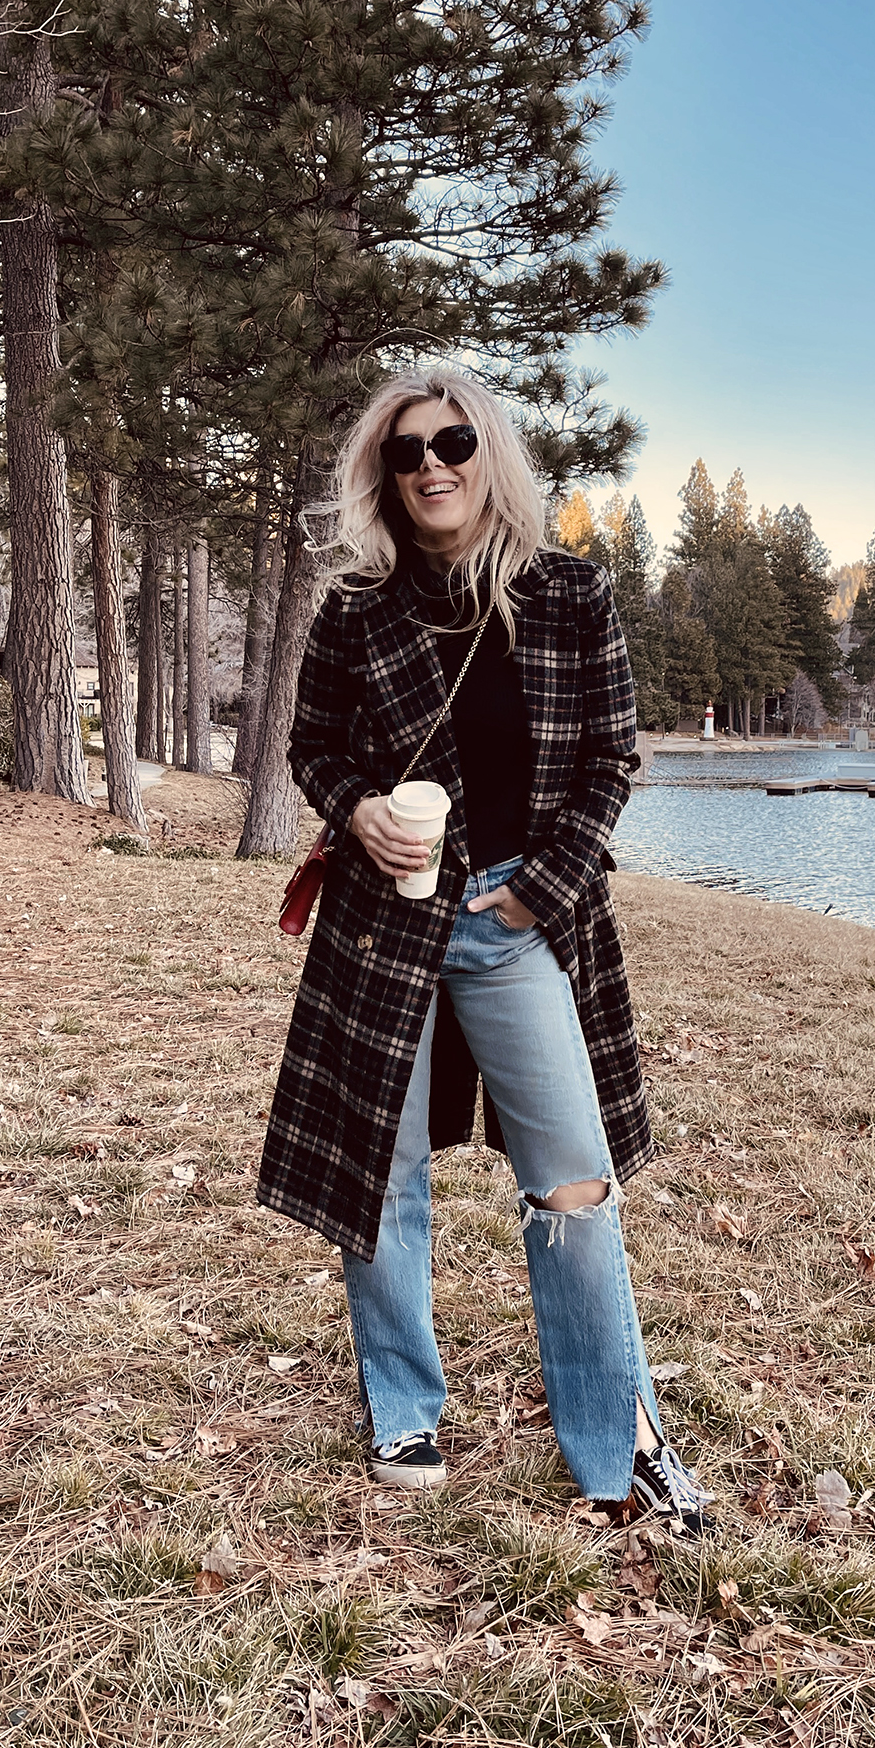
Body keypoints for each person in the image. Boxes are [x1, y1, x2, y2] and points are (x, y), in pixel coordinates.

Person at [258, 368, 713, 1532]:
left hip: (517, 920)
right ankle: (402, 1404)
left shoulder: (569, 593)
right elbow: (312, 746)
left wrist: (537, 895)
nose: (430, 466)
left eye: (451, 441)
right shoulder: (356, 609)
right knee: (385, 1174)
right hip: (385, 922)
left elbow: (612, 758)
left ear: (488, 451)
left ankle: (624, 1435)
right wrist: (358, 807)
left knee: (573, 1182)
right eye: (405, 452)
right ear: (385, 475)